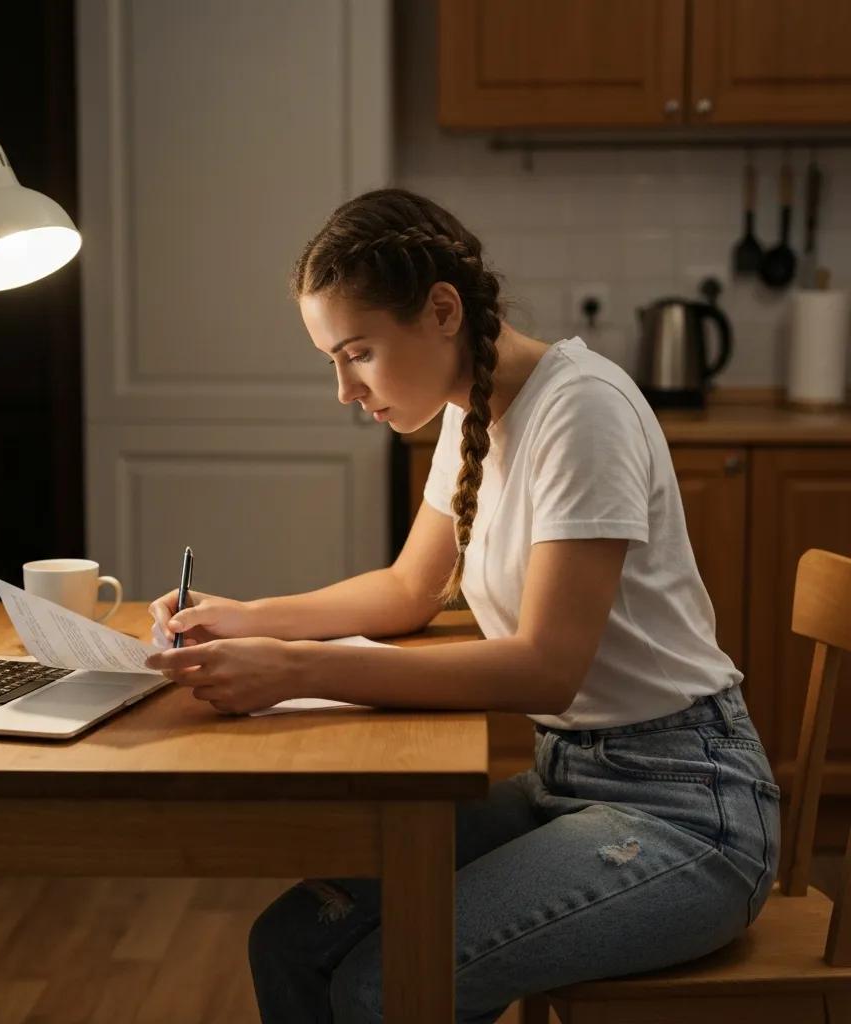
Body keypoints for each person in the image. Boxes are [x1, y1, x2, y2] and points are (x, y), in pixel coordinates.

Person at [145, 189, 781, 1023]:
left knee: (383, 987)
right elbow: (409, 590)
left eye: (359, 353)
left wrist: (292, 669)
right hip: (568, 780)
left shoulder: (580, 411)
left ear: (442, 310)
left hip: (687, 811)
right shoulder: (471, 408)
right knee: (290, 944)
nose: (344, 389)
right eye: (333, 360)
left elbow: (547, 670)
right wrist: (246, 616)